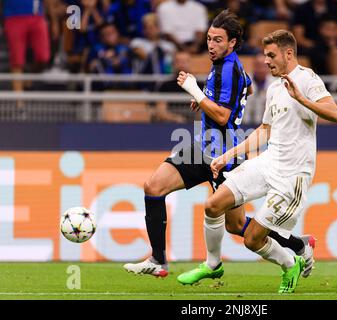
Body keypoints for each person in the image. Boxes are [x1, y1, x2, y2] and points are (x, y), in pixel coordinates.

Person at [123, 10, 315, 278]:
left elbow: (224, 116)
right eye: (209, 39)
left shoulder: (230, 69)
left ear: (233, 43)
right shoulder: (226, 66)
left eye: (218, 41)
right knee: (153, 186)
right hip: (203, 146)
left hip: (225, 150)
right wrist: (206, 99)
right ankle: (158, 259)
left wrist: (197, 92)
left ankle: (298, 245)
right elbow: (245, 88)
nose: (211, 46)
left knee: (236, 226)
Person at [177, 30, 337, 293]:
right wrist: (226, 156)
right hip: (268, 163)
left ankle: (289, 263)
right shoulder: (275, 88)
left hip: (292, 176)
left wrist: (302, 99)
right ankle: (212, 264)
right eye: (265, 55)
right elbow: (265, 131)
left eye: (271, 55)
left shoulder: (307, 79)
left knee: (252, 239)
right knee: (213, 205)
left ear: (289, 54)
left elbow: (336, 114)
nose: (266, 61)